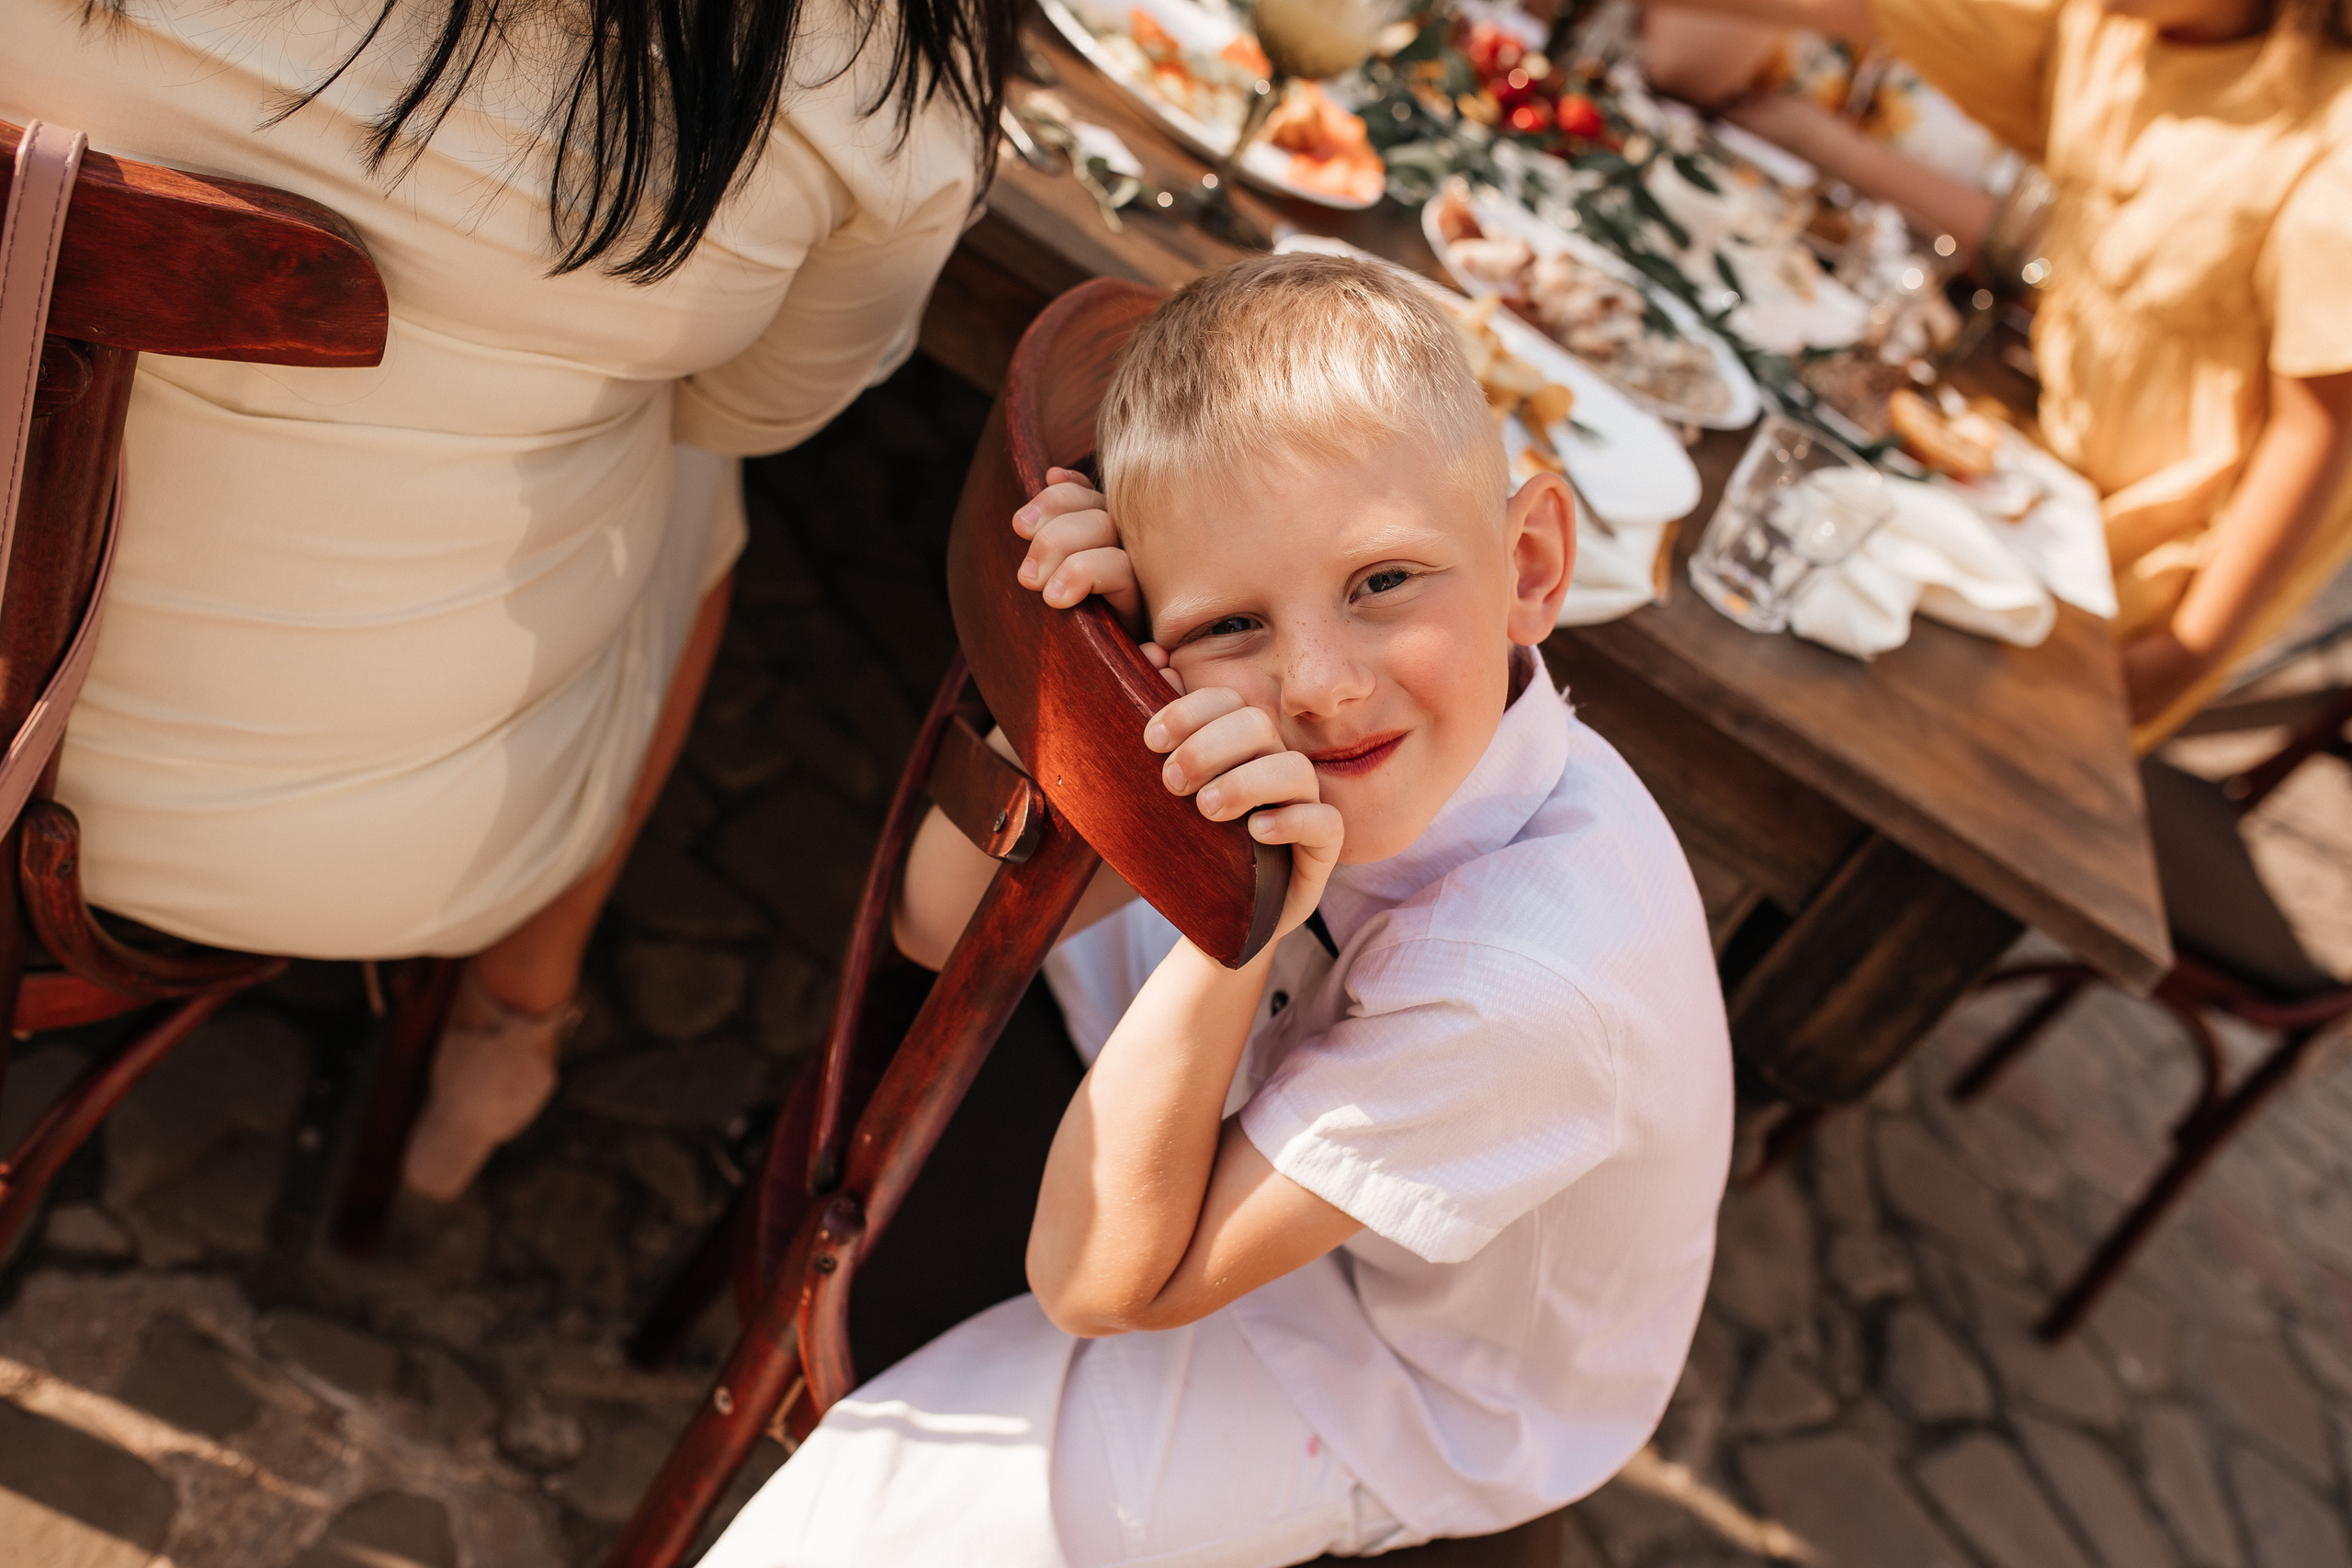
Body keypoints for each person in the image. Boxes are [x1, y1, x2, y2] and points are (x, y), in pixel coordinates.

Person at [701, 254, 1734, 1565]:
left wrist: (1232, 925)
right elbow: (937, 925)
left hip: (1391, 1362)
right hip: (1235, 1054)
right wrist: (1096, 674)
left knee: (857, 1538)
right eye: (1234, 618)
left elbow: (1099, 1283)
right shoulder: (1283, 748)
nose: (1318, 684)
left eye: (1383, 582)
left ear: (1530, 562)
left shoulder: (1524, 978)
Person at [1, 0, 1016, 1197]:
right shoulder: (864, 63)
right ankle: (518, 1008)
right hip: (308, 846)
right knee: (699, 474)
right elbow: (757, 410)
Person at [1646, 0, 2352, 746]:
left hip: (2164, 565)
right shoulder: (2098, 24)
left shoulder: (2330, 149)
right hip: (2041, 484)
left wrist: (2185, 653)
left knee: (1967, 753)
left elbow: (2318, 428)